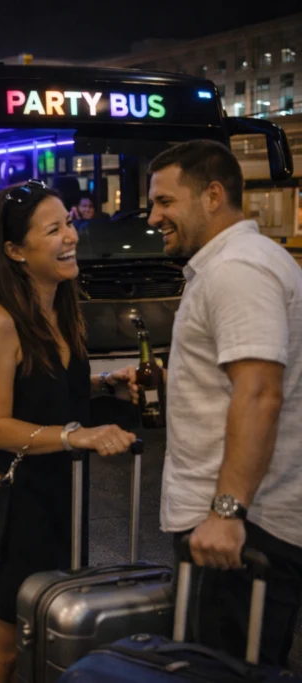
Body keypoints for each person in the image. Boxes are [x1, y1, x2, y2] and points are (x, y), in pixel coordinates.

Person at [0, 179, 138, 683]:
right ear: (15, 250)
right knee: (5, 644)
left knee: (46, 629)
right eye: (54, 228)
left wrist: (108, 384)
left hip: (62, 494)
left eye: (70, 223)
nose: (72, 236)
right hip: (16, 505)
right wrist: (74, 435)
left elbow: (49, 386)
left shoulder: (60, 308)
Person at [139, 139, 302, 667]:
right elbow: (236, 378)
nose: (153, 216)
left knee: (223, 670)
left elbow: (260, 393)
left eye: (165, 201)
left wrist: (226, 513)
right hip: (236, 524)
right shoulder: (232, 264)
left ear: (212, 195)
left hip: (242, 531)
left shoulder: (238, 270)